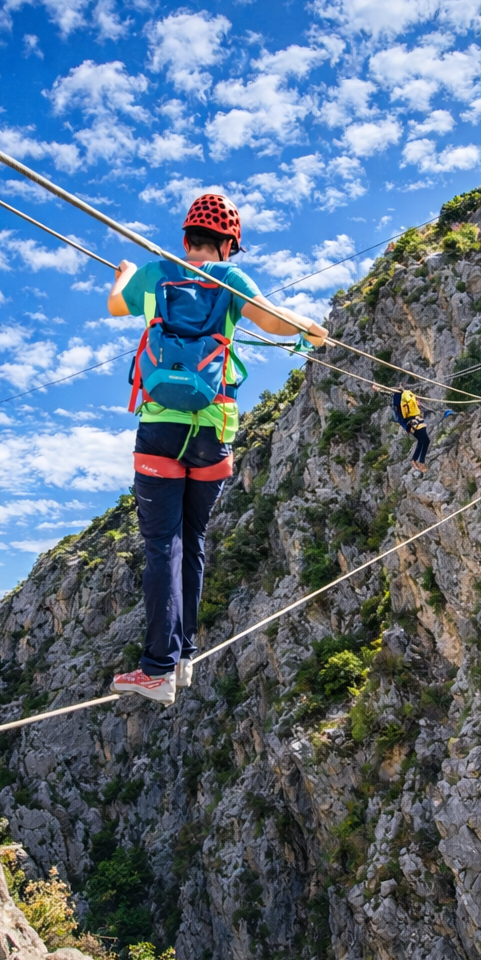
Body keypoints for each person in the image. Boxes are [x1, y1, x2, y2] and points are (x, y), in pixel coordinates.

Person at [106, 194, 328, 705]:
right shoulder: (231, 280)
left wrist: (123, 272)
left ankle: (157, 667)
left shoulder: (156, 275)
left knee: (163, 543)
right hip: (214, 432)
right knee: (193, 541)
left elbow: (115, 304)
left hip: (161, 429)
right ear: (228, 244)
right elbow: (273, 321)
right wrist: (312, 331)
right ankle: (180, 656)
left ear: (186, 238)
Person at [393, 389, 430, 472]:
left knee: (422, 441)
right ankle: (420, 462)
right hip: (415, 422)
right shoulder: (407, 398)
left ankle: (415, 460)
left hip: (414, 423)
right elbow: (407, 401)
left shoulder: (405, 400)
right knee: (426, 441)